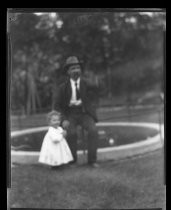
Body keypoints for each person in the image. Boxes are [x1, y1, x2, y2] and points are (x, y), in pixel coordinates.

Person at [55, 56, 99, 168]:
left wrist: (91, 107)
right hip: (70, 114)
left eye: (78, 68)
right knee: (71, 133)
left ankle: (92, 160)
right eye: (73, 68)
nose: (76, 70)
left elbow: (96, 96)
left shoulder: (88, 84)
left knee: (93, 130)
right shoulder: (62, 88)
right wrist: (64, 119)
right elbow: (57, 106)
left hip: (85, 113)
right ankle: (72, 161)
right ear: (68, 72)